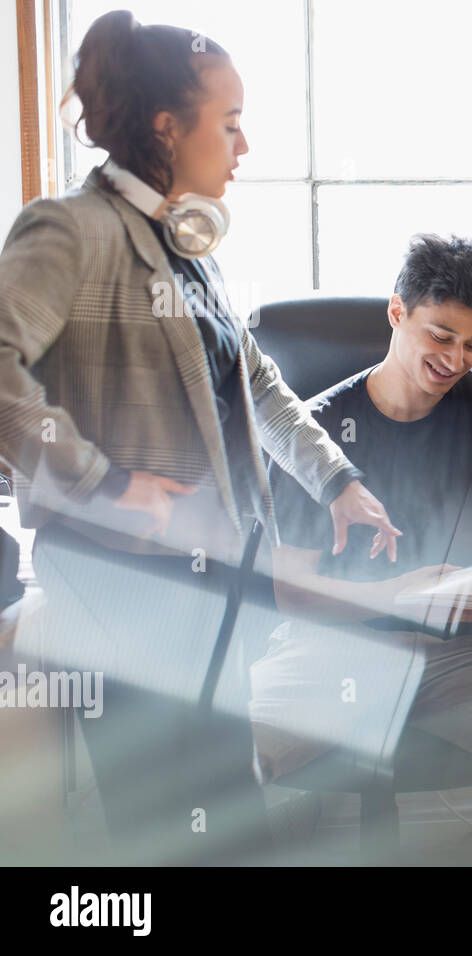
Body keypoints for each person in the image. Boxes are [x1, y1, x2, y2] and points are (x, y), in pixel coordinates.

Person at [0, 11, 400, 864]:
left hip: (210, 592)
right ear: (165, 127)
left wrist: (337, 483)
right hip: (120, 595)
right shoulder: (71, 229)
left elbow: (256, 383)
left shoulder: (190, 252)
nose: (244, 145)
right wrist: (106, 483)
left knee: (222, 819)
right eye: (230, 122)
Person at [249, 234, 472, 866]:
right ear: (398, 314)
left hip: (454, 660)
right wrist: (396, 597)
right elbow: (288, 591)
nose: (456, 360)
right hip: (331, 649)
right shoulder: (316, 430)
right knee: (216, 759)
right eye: (440, 337)